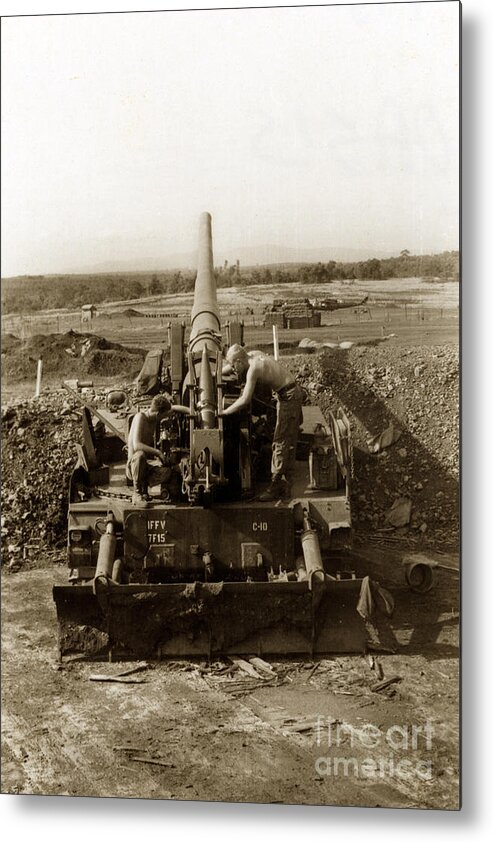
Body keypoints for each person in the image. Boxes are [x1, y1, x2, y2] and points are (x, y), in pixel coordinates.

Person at [222, 344, 303, 501]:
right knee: (288, 440)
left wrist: (225, 412)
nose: (233, 370)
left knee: (280, 441)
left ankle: (275, 486)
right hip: (287, 393)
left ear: (239, 361)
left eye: (234, 366)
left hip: (289, 397)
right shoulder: (252, 355)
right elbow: (230, 365)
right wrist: (214, 373)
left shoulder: (254, 369)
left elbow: (245, 399)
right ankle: (286, 484)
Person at [126, 394, 189, 506]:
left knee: (169, 472)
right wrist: (158, 453)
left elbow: (172, 409)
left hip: (145, 468)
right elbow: (137, 445)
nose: (165, 418)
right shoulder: (140, 417)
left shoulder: (154, 418)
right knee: (140, 455)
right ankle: (137, 493)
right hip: (133, 466)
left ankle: (144, 490)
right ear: (158, 414)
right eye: (163, 416)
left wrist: (194, 412)